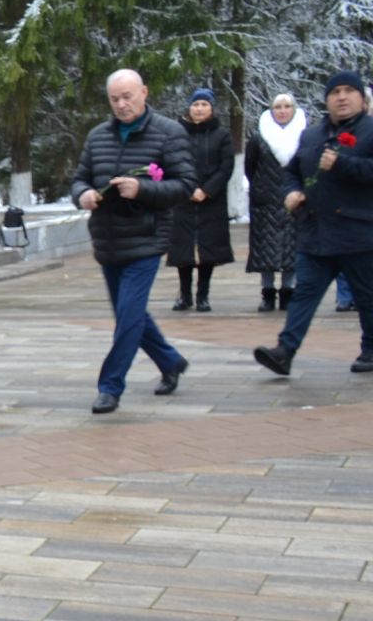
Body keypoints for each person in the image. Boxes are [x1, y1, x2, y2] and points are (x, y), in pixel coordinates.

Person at [70, 68, 196, 414]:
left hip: (146, 239)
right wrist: (82, 195)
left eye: (127, 96)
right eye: (114, 99)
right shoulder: (98, 136)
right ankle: (170, 361)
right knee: (131, 314)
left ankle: (110, 386)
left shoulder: (169, 133)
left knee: (127, 317)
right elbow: (79, 178)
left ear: (144, 92)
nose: (122, 105)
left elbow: (185, 185)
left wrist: (143, 188)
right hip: (108, 241)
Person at [253, 71, 373, 377]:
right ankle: (285, 352)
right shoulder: (311, 135)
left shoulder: (371, 130)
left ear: (362, 98)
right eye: (335, 92)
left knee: (367, 295)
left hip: (358, 232)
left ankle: (371, 349)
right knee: (304, 293)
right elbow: (292, 171)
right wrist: (291, 191)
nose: (342, 97)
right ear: (327, 99)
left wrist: (344, 163)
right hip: (316, 231)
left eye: (349, 91)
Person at [166, 88, 234, 312]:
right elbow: (171, 162)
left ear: (212, 108)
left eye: (204, 104)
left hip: (211, 200)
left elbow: (226, 167)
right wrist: (186, 187)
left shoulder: (221, 135)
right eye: (196, 105)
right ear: (189, 107)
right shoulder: (177, 133)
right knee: (184, 249)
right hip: (183, 199)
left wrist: (206, 190)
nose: (199, 109)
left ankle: (202, 295)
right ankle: (184, 294)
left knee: (207, 249)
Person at [246, 92, 304, 312]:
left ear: (294, 109)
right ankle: (267, 293)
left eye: (287, 106)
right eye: (277, 107)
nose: (282, 111)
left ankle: (288, 291)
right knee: (265, 248)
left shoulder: (303, 134)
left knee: (292, 247)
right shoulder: (259, 136)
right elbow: (250, 167)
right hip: (265, 200)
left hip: (293, 199)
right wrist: (260, 189)